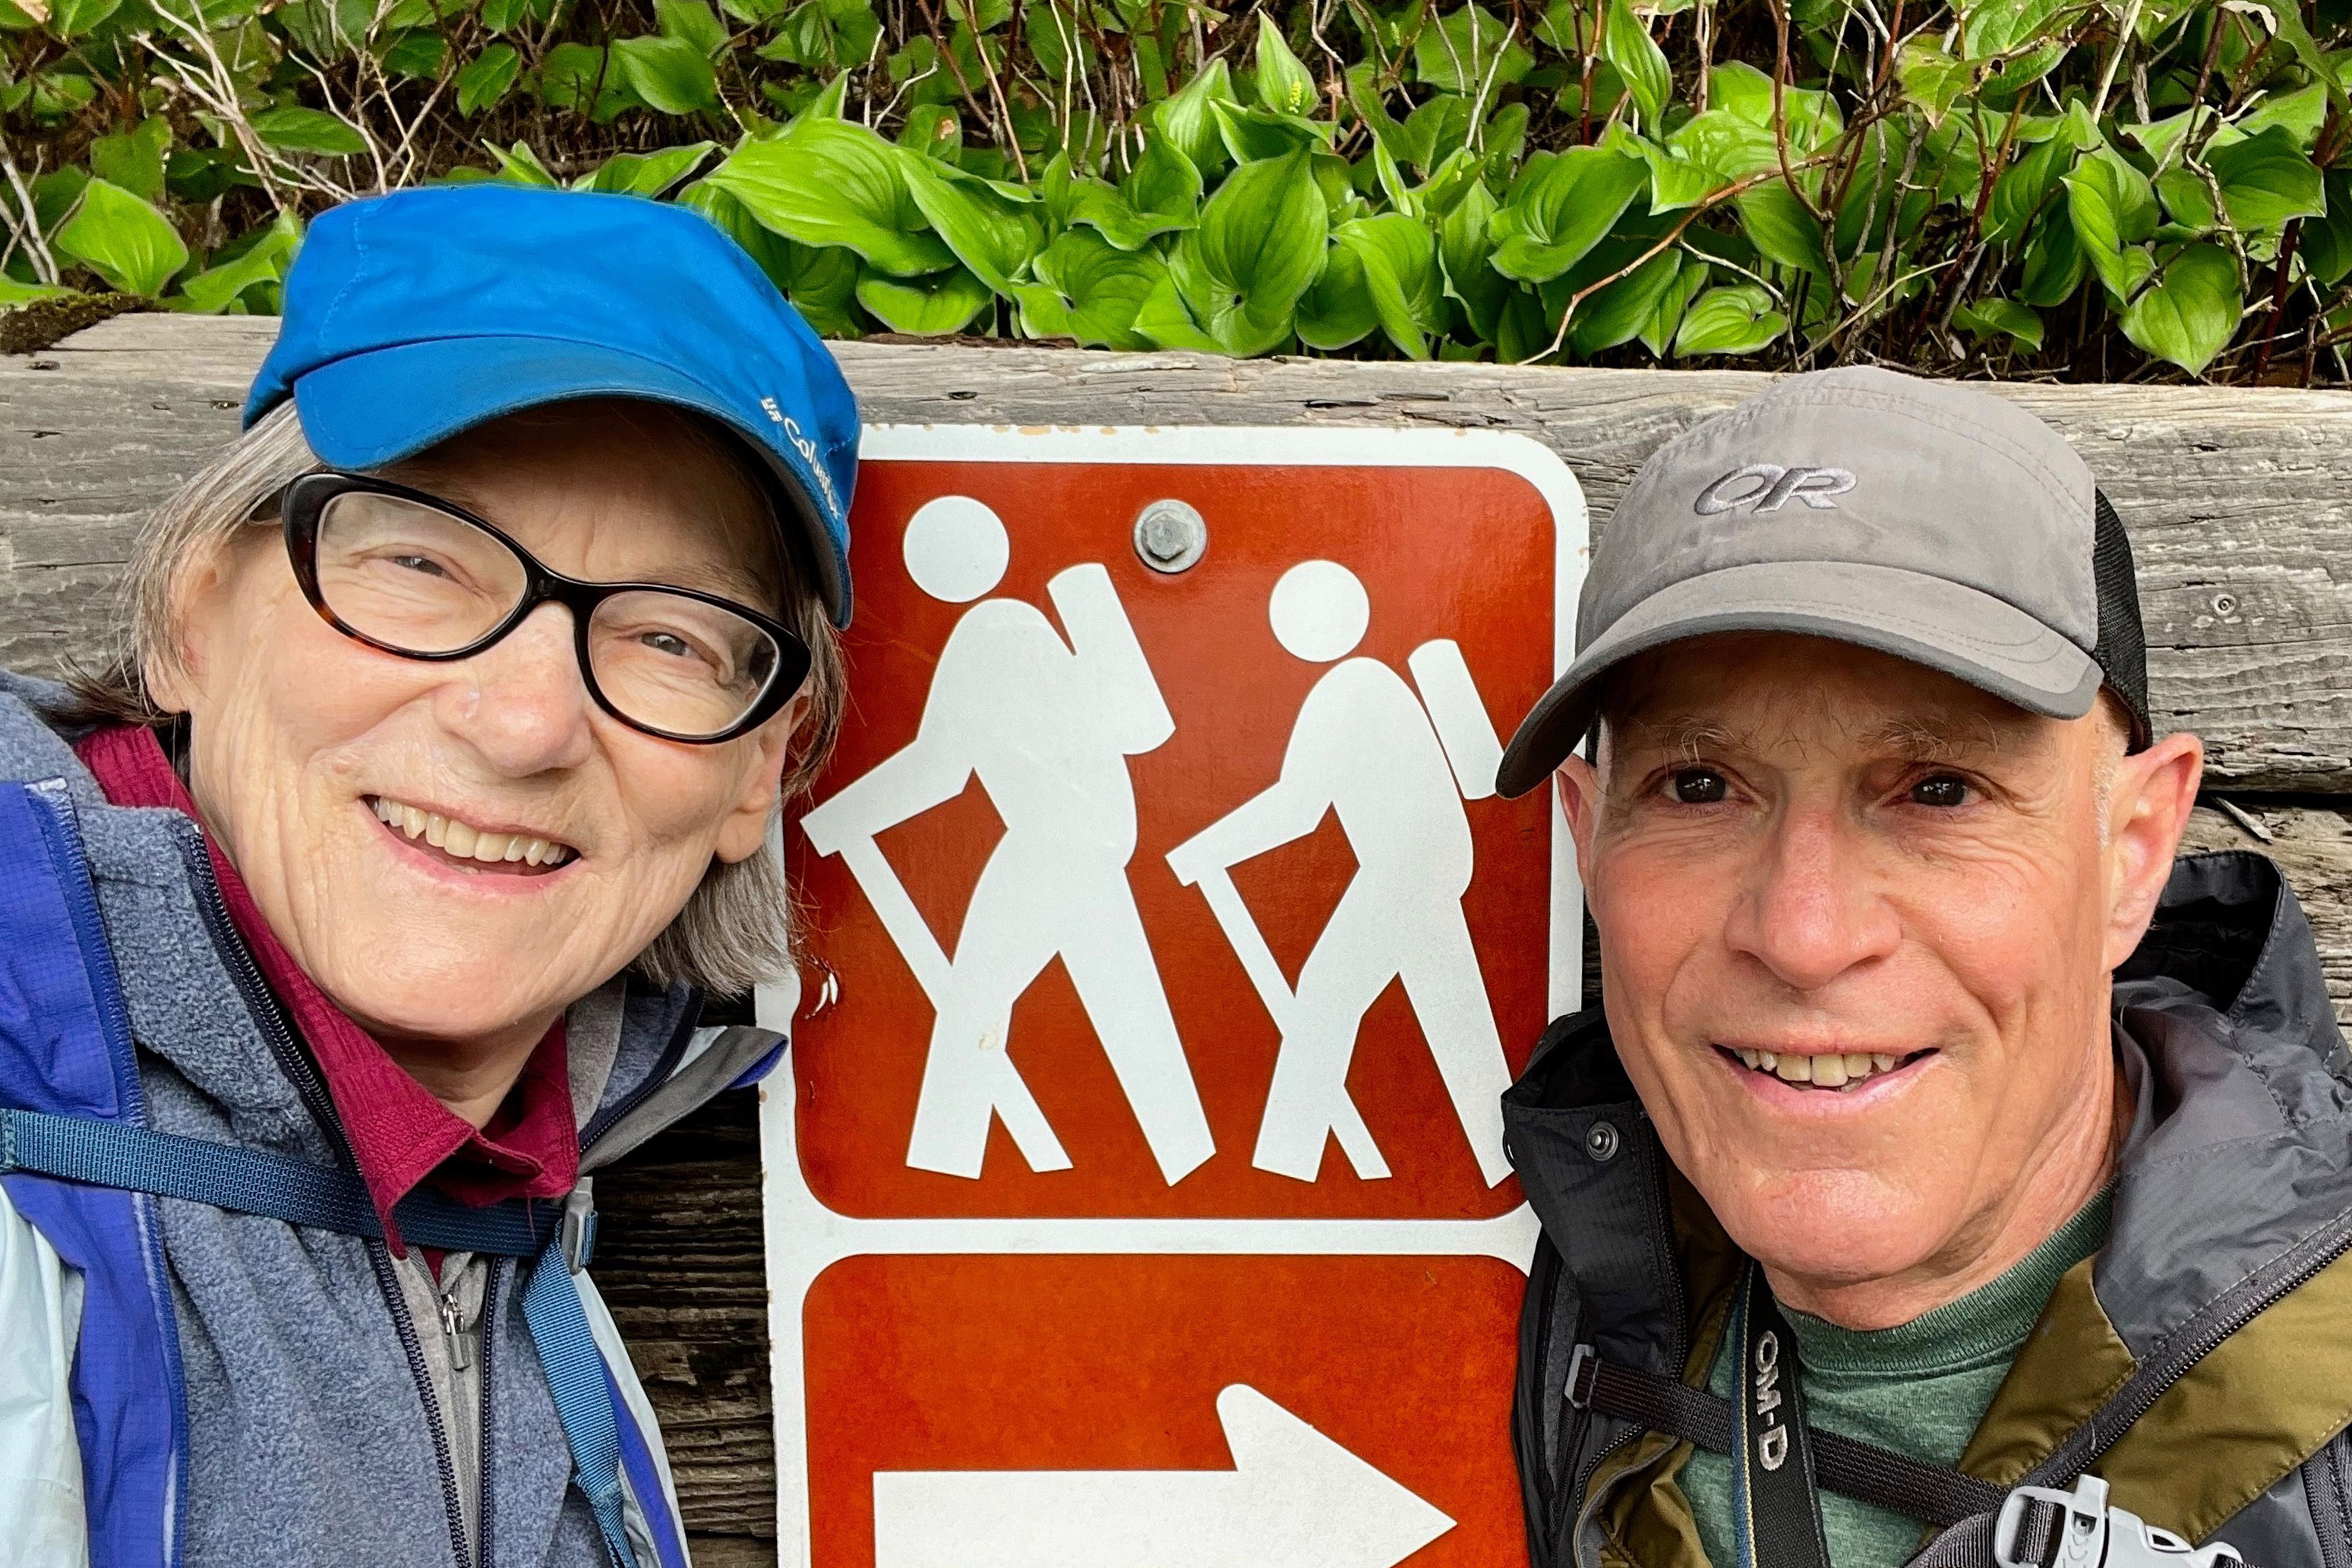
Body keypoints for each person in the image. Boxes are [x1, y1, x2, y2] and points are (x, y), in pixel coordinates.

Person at [0, 183, 858, 1567]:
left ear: (757, 771)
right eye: (419, 561)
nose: (523, 724)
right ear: (193, 613)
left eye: (669, 639)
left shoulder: (522, 1190)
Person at [1494, 367, 2350, 1568]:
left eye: (1937, 790)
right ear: (1586, 838)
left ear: (2129, 851)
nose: (1802, 932)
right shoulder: (1543, 1285)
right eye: (1698, 786)